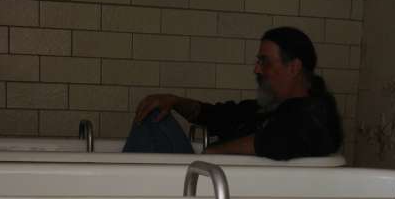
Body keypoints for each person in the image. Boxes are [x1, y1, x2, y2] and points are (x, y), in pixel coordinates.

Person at [123, 26, 343, 160]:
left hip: (223, 190)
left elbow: (279, 140)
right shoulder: (267, 108)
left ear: (293, 67)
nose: (256, 69)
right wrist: (174, 101)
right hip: (216, 181)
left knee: (152, 122)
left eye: (264, 62)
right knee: (155, 112)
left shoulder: (315, 116)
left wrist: (212, 154)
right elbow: (215, 115)